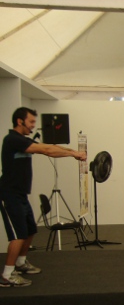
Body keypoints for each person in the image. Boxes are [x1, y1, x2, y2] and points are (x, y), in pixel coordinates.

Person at [0, 107, 87, 287]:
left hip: (21, 195)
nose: (34, 125)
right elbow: (46, 150)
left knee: (30, 230)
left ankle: (21, 263)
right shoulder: (12, 139)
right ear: (20, 121)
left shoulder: (24, 140)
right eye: (31, 121)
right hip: (8, 194)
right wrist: (73, 154)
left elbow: (50, 147)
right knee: (18, 235)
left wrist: (72, 151)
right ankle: (7, 275)